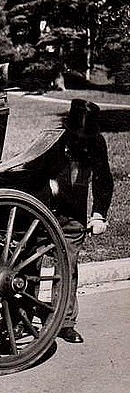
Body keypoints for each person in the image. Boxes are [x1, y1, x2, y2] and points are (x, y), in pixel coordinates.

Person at [51, 99, 114, 343]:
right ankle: (21, 313)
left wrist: (99, 214)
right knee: (29, 261)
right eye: (77, 135)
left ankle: (65, 322)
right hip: (46, 210)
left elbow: (103, 179)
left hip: (74, 213)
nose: (80, 140)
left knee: (68, 264)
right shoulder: (55, 141)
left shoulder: (96, 142)